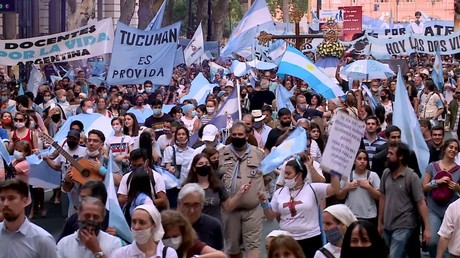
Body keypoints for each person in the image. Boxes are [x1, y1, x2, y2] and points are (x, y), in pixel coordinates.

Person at [259, 158, 341, 258]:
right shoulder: (279, 193)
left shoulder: (312, 189)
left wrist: (334, 173)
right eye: (284, 173)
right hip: (287, 241)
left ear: (299, 174)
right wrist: (264, 203)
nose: (285, 176)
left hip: (311, 239)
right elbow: (270, 216)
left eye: (289, 174)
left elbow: (335, 189)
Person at [218, 121, 272, 258]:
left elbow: (267, 177)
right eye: (234, 134)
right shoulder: (221, 154)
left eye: (240, 134)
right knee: (232, 248)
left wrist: (258, 193)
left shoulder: (257, 153)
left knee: (253, 246)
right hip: (229, 210)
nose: (237, 137)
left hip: (252, 209)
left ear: (247, 136)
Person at [378, 142, 431, 258]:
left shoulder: (412, 177)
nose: (387, 156)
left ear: (400, 156)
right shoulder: (386, 173)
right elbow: (382, 197)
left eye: (391, 153)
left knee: (393, 255)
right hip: (387, 224)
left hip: (404, 224)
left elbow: (421, 202)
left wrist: (427, 228)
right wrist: (379, 222)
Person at [0, 179, 58, 258]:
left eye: (11, 198)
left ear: (25, 201)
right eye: (2, 199)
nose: (5, 204)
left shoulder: (42, 240)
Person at [422, 139, 460, 258]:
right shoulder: (432, 166)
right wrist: (436, 182)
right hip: (433, 209)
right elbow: (424, 187)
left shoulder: (459, 170)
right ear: (445, 149)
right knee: (432, 242)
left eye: (456, 148)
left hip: (451, 210)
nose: (453, 150)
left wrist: (457, 187)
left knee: (448, 243)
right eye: (451, 147)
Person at [57, 197, 122, 258]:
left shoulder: (114, 243)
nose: (91, 220)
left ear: (102, 218)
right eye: (87, 216)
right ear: (78, 216)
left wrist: (96, 250)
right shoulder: (64, 244)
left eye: (95, 217)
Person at [114, 204, 178, 258]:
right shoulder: (121, 254)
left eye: (142, 222)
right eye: (134, 222)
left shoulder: (168, 254)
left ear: (154, 226)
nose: (136, 227)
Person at [337, 150, 381, 225]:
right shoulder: (347, 175)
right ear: (354, 161)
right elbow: (339, 196)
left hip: (369, 216)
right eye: (359, 159)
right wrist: (346, 188)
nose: (362, 161)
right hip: (351, 215)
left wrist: (369, 187)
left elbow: (380, 196)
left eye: (365, 159)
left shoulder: (373, 175)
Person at [177, 183, 225, 250]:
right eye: (187, 205)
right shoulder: (173, 225)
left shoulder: (213, 225)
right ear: (180, 205)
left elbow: (220, 253)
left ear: (202, 205)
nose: (192, 211)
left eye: (196, 205)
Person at [161, 210, 227, 258]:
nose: (172, 240)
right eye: (167, 237)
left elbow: (222, 256)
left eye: (175, 236)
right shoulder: (154, 250)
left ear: (183, 233)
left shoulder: (191, 245)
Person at [162, 126, 194, 208]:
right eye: (179, 134)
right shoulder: (169, 150)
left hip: (187, 185)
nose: (181, 136)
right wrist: (170, 168)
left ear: (187, 136)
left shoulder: (193, 152)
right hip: (174, 186)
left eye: (183, 134)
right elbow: (167, 165)